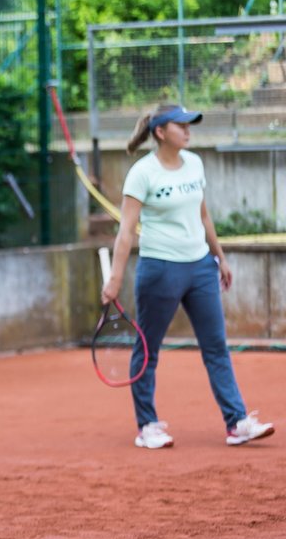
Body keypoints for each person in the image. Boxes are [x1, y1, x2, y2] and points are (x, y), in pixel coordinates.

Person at [103, 104, 274, 450]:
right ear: (161, 132)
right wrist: (115, 279)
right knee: (148, 349)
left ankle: (237, 422)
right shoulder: (142, 173)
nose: (188, 130)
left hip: (200, 268)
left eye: (189, 125)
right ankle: (147, 425)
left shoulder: (194, 164)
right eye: (181, 125)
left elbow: (205, 216)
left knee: (216, 347)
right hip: (159, 269)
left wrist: (220, 258)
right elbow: (125, 233)